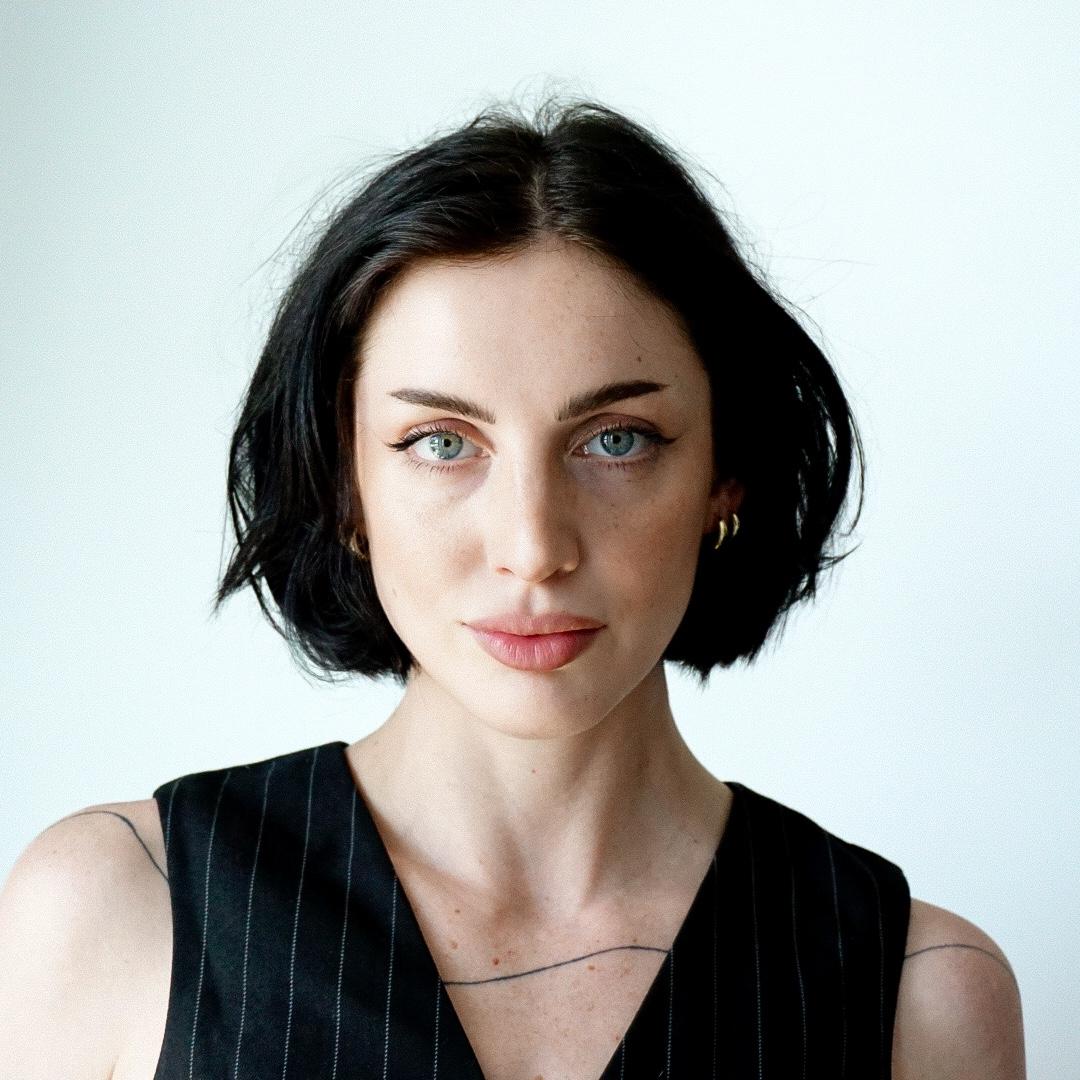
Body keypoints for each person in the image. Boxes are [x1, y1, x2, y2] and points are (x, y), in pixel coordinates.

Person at [0, 98, 1025, 1079]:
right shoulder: (122, 910)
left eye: (616, 441)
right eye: (441, 443)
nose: (533, 548)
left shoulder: (920, 994)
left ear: (726, 478)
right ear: (346, 486)